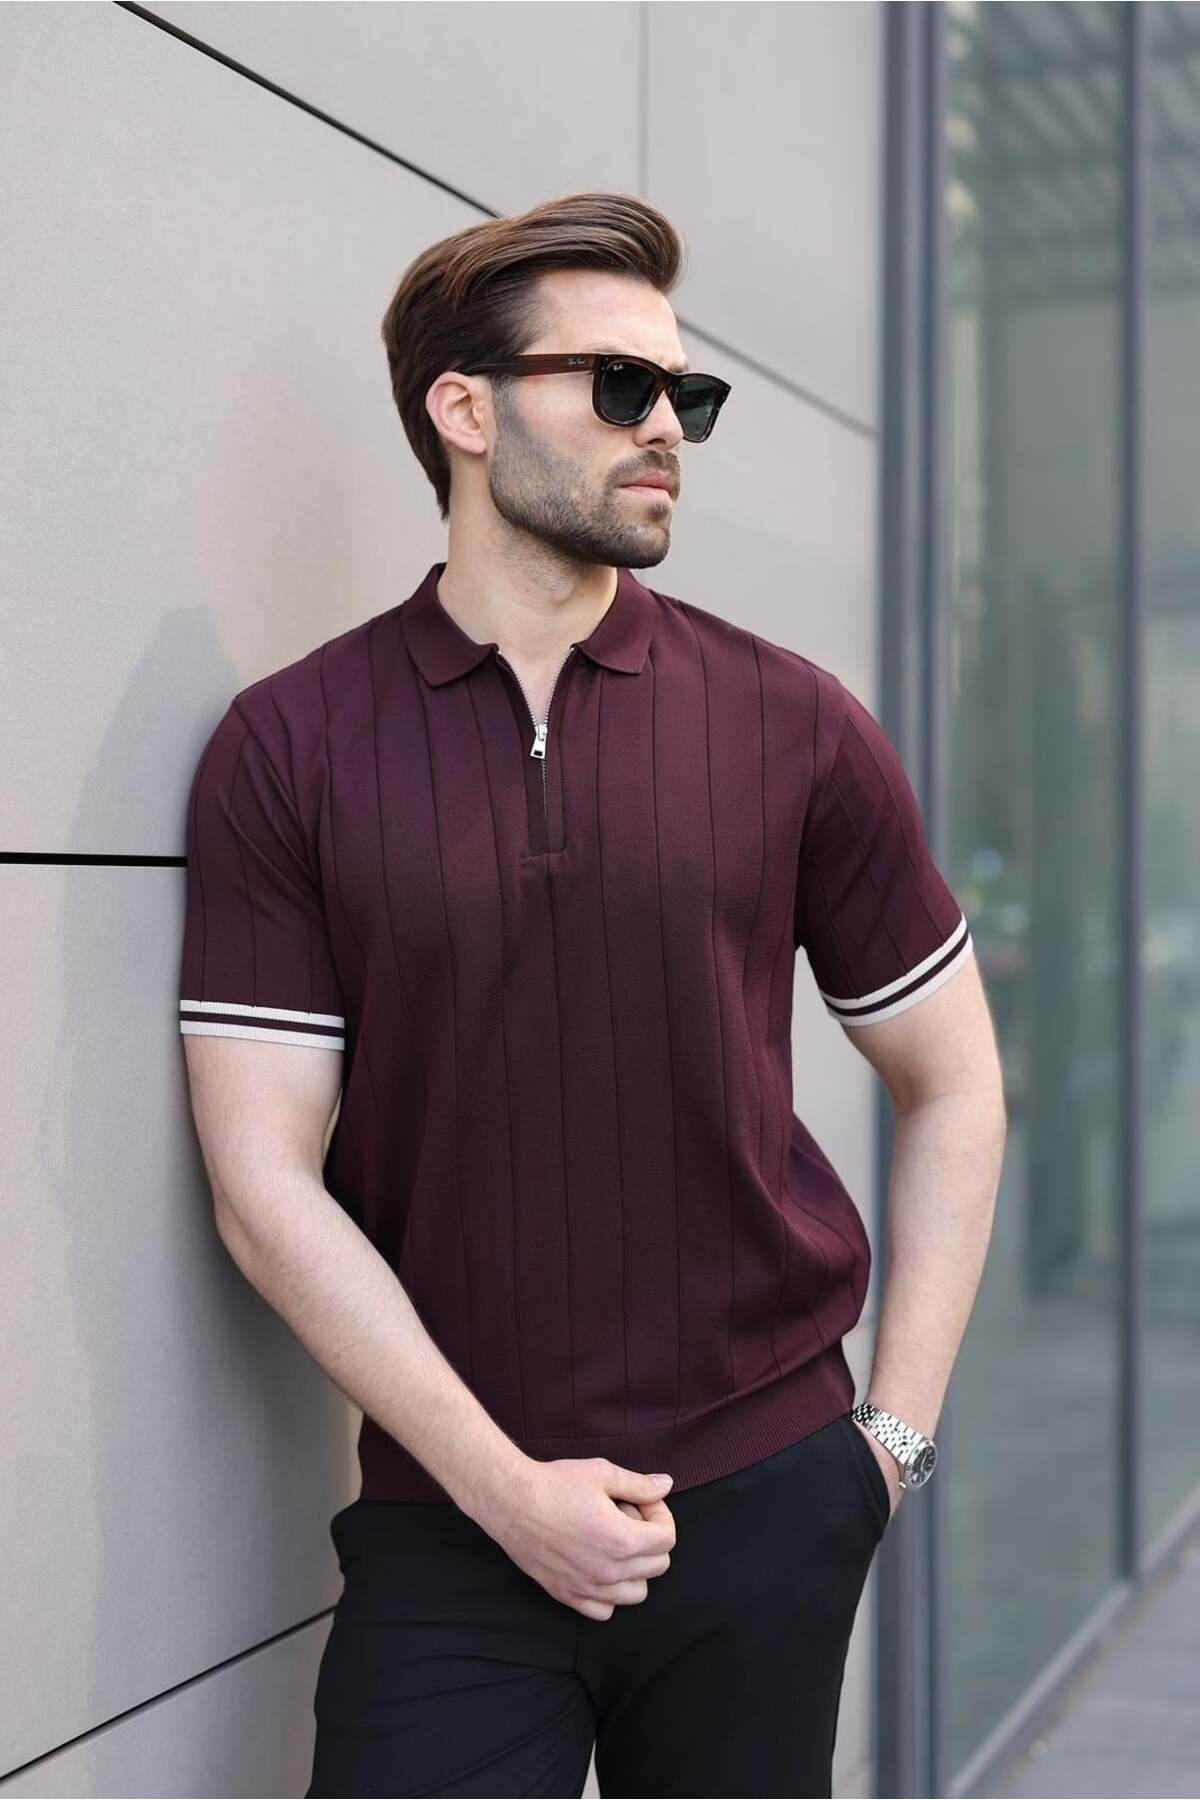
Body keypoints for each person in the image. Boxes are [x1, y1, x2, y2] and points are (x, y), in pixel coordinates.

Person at [178, 191, 1006, 1798]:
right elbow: (261, 1183)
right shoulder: (292, 748)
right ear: (465, 409)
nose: (667, 429)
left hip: (768, 1499)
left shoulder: (792, 724)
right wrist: (503, 1490)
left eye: (685, 394)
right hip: (450, 1519)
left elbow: (956, 1078)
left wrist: (886, 1449)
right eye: (619, 386)